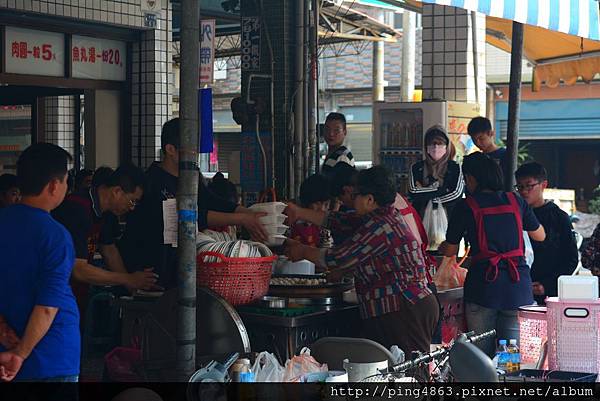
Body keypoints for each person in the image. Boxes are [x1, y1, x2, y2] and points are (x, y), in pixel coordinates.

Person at [285, 166, 439, 355]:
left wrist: (302, 251)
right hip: (401, 307)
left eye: (356, 195)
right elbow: (337, 220)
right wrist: (298, 213)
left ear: (369, 199)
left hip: (405, 309)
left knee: (407, 374)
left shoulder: (382, 225)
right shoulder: (377, 216)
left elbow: (338, 258)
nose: (350, 199)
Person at [118, 118, 267, 290]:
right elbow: (191, 216)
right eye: (189, 149)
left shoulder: (191, 174)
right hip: (150, 267)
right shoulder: (153, 183)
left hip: (179, 265)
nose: (194, 154)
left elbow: (209, 200)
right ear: (170, 150)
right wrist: (241, 219)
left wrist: (244, 212)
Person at [439, 152, 545, 357]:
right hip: (517, 288)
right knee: (510, 356)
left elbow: (451, 250)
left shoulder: (466, 205)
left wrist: (443, 246)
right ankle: (507, 386)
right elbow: (540, 235)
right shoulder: (516, 200)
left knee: (481, 356)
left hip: (484, 289)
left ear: (470, 178)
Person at [0, 143, 80, 382]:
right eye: (65, 181)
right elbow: (47, 305)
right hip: (52, 355)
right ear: (54, 185)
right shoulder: (55, 235)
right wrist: (21, 354)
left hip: (5, 348)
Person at [52, 164, 157, 310]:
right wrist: (128, 279)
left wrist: (133, 287)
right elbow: (78, 270)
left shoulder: (107, 214)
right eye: (132, 201)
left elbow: (109, 251)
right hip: (53, 294)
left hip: (75, 295)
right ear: (117, 191)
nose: (132, 207)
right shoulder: (77, 209)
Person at [515, 162, 578, 304]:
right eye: (520, 186)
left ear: (543, 185)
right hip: (517, 289)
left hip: (548, 295)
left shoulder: (559, 217)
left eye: (529, 185)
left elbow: (571, 258)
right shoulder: (514, 215)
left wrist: (548, 285)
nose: (524, 191)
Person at [408, 125, 463, 219]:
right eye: (432, 143)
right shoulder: (416, 168)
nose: (436, 147)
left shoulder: (455, 167)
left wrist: (429, 198)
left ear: (447, 146)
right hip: (420, 219)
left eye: (440, 143)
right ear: (426, 147)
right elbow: (413, 191)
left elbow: (456, 194)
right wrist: (443, 190)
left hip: (449, 219)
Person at [290, 174, 333, 248]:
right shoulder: (293, 221)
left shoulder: (324, 226)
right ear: (306, 202)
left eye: (326, 205)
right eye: (316, 204)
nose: (322, 209)